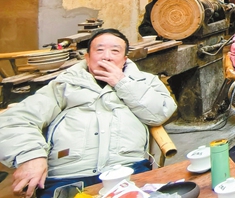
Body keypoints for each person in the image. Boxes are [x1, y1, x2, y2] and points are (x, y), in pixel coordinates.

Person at [0, 29, 176, 198]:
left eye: (115, 51)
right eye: (99, 50)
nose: (106, 56)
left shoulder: (144, 81)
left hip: (126, 170)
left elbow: (160, 112)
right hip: (68, 177)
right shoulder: (65, 85)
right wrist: (31, 155)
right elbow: (16, 119)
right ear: (88, 57)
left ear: (124, 60)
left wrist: (122, 83)